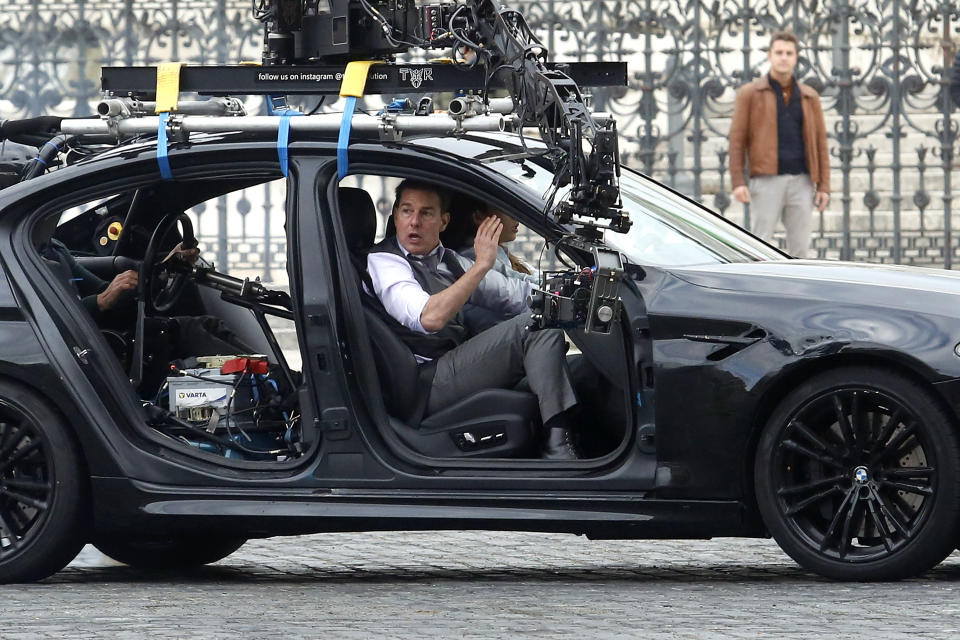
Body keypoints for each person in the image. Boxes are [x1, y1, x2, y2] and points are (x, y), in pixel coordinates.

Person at [366, 179, 581, 460]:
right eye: (406, 211)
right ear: (395, 216)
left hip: (450, 365)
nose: (414, 222)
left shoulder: (449, 261)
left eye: (426, 213)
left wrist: (572, 291)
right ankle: (558, 449)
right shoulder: (385, 262)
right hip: (422, 383)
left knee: (579, 367)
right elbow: (428, 317)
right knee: (537, 327)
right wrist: (481, 266)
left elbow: (511, 293)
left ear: (443, 221)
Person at [728, 30, 830, 259]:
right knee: (760, 245)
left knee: (801, 250)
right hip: (766, 181)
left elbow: (821, 144)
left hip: (802, 182)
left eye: (789, 53)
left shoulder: (809, 96)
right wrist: (737, 180)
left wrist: (823, 185)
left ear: (796, 57)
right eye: (779, 52)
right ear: (770, 56)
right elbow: (737, 139)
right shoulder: (750, 93)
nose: (784, 57)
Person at [446, 196, 539, 284]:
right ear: (478, 217)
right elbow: (520, 282)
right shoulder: (474, 256)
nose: (515, 217)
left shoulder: (498, 251)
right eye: (507, 209)